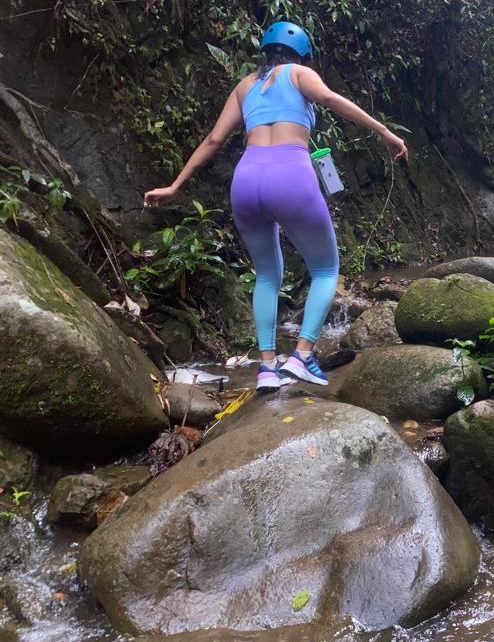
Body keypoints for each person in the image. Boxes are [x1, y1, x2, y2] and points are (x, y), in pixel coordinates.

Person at [144, 21, 408, 392]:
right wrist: (384, 131)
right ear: (300, 54)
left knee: (267, 275)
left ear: (265, 50)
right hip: (290, 173)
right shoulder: (299, 73)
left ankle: (267, 367)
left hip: (246, 179)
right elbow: (330, 99)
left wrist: (175, 185)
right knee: (325, 268)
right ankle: (302, 355)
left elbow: (215, 138)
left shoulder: (245, 85)